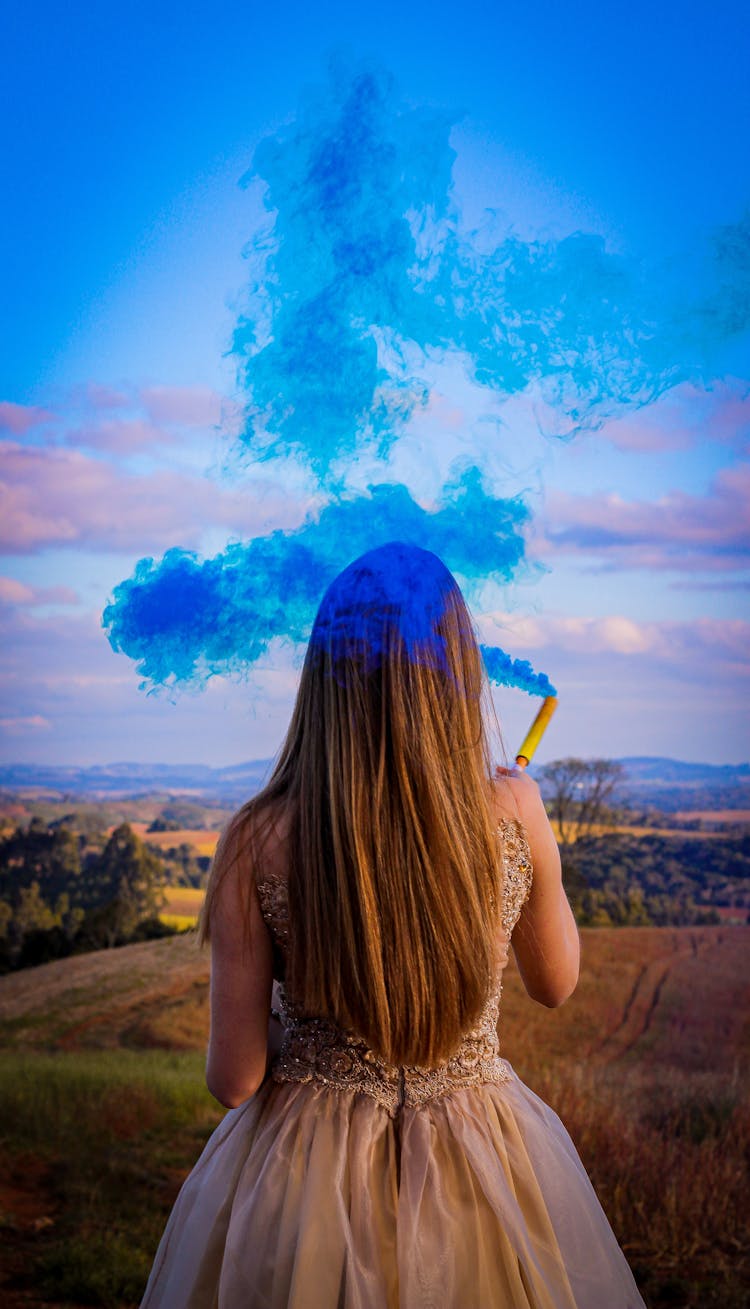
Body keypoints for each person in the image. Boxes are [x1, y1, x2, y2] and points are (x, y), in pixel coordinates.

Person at [140, 542, 645, 1308]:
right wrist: (535, 841)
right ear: (457, 672)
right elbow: (556, 980)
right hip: (478, 1157)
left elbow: (233, 1079)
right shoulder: (513, 812)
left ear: (326, 676)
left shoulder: (256, 838)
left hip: (306, 1174)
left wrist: (300, 1027)